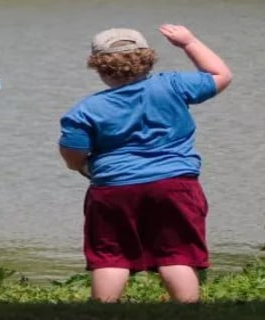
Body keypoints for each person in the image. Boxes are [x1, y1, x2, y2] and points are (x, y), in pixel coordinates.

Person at [57, 25, 231, 303]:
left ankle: (101, 311)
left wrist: (84, 167)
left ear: (99, 68)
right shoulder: (173, 85)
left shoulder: (84, 110)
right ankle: (187, 311)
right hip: (175, 184)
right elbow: (220, 75)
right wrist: (188, 42)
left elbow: (73, 153)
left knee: (111, 256)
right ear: (148, 59)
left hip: (113, 189)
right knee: (177, 254)